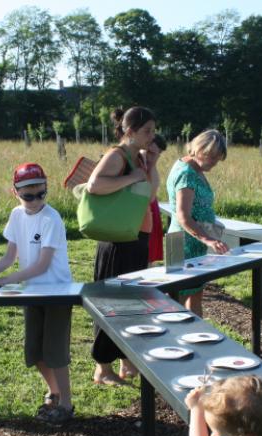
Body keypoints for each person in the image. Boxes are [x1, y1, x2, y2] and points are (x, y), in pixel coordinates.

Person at [0, 163, 74, 425]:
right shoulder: (16, 215)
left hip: (56, 292)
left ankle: (66, 403)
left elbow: (42, 265)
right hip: (31, 292)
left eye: (40, 194)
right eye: (27, 195)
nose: (34, 200)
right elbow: (10, 256)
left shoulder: (51, 218)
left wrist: (6, 281)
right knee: (35, 350)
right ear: (15, 192)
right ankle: (53, 392)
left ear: (46, 189)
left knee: (55, 351)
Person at [85, 106, 158, 386]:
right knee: (112, 304)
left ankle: (127, 361)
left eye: (153, 130)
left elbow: (150, 195)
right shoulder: (116, 155)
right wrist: (130, 177)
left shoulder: (138, 157)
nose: (152, 135)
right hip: (117, 240)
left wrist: (152, 163)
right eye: (147, 131)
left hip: (135, 238)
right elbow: (94, 185)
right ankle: (102, 369)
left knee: (131, 304)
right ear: (129, 131)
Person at [167, 129, 230, 317]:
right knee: (175, 302)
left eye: (217, 159)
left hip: (195, 243)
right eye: (211, 158)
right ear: (200, 150)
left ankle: (197, 338)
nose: (214, 164)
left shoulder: (195, 168)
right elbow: (183, 216)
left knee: (194, 295)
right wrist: (208, 240)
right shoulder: (186, 174)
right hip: (182, 244)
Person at [145, 134, 168, 265]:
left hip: (150, 210)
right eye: (148, 152)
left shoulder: (152, 170)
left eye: (155, 154)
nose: (150, 157)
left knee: (148, 255)